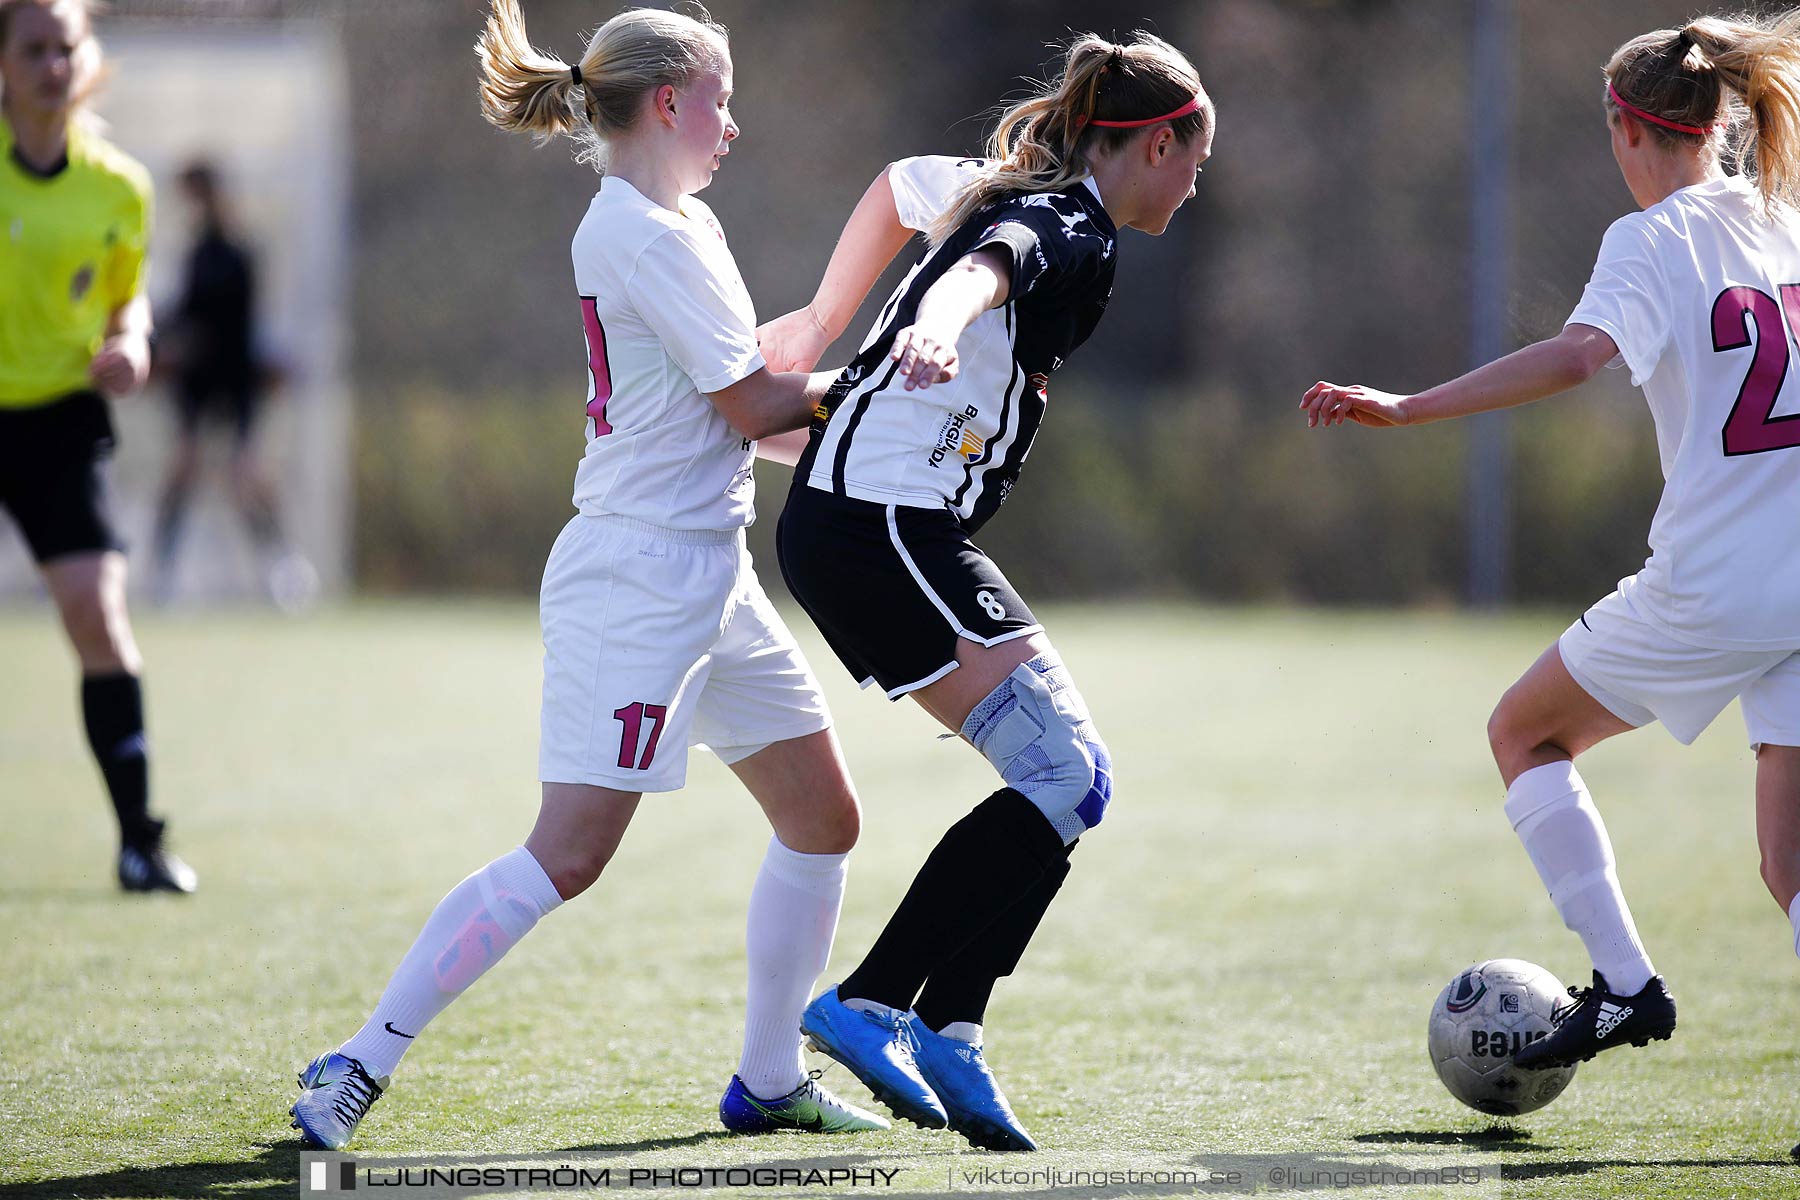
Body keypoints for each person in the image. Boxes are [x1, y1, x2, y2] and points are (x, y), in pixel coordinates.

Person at [290, 0, 883, 1150]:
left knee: (822, 819)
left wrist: (878, 423)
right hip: (638, 585)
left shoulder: (684, 226)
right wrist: (890, 382)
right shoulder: (636, 232)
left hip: (713, 575)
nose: (732, 124)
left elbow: (748, 423)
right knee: (569, 853)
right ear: (669, 101)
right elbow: (763, 402)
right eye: (721, 97)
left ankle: (766, 1079)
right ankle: (362, 1062)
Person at [1300, 11, 1800, 1095]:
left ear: (1626, 126)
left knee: (1524, 732)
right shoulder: (1785, 222)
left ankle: (1625, 983)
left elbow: (1579, 358)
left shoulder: (1652, 239)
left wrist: (1408, 406)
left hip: (1719, 585)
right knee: (1790, 865)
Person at [759, 33, 1212, 1151]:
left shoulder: (1013, 184)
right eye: (1194, 157)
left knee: (1072, 781)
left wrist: (828, 325)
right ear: (1154, 142)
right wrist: (928, 325)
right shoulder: (1070, 223)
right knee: (1065, 771)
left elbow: (900, 188)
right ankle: (871, 1004)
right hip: (882, 532)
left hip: (877, 525)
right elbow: (984, 267)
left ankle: (953, 1030)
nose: (1198, 183)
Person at [0, 0, 195, 893]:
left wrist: (135, 340)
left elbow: (129, 298)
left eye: (63, 47)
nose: (50, 64)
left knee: (99, 620)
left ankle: (139, 843)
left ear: (85, 58)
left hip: (58, 424)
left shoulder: (118, 186)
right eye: (32, 48)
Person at [151, 159, 315, 611]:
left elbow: (239, 320)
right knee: (183, 467)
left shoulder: (239, 252)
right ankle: (162, 571)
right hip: (197, 380)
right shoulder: (193, 252)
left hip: (234, 376)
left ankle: (283, 567)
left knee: (246, 473)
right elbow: (183, 312)